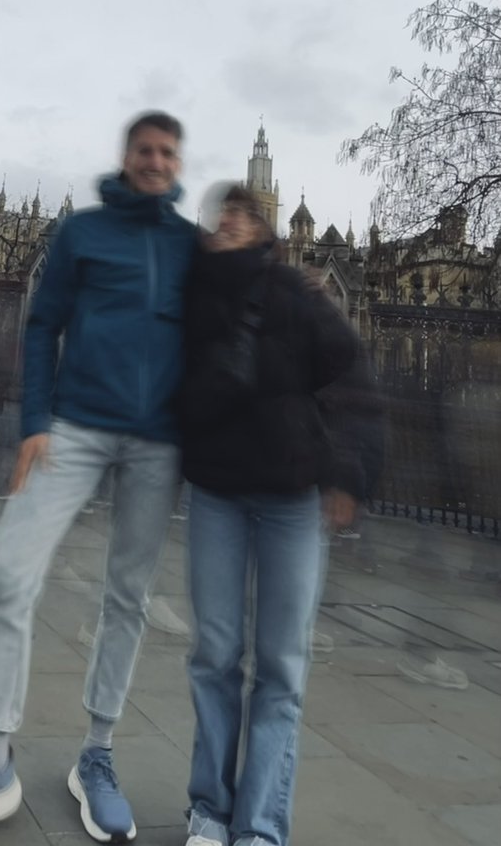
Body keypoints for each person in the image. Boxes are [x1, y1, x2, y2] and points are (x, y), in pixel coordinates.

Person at [0, 112, 196, 846]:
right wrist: (34, 419)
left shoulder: (190, 245)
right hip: (72, 427)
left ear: (176, 162)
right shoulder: (82, 233)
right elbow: (42, 325)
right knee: (7, 575)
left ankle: (95, 757)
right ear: (127, 157)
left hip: (157, 444)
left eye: (167, 152)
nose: (156, 161)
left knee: (128, 598)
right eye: (145, 149)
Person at [179, 185, 363, 846]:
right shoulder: (192, 288)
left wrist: (347, 472)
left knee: (281, 668)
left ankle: (257, 829)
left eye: (244, 213)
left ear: (267, 230)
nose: (229, 220)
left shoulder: (297, 293)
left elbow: (352, 378)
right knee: (214, 657)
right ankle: (208, 809)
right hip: (216, 492)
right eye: (220, 212)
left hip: (290, 497)